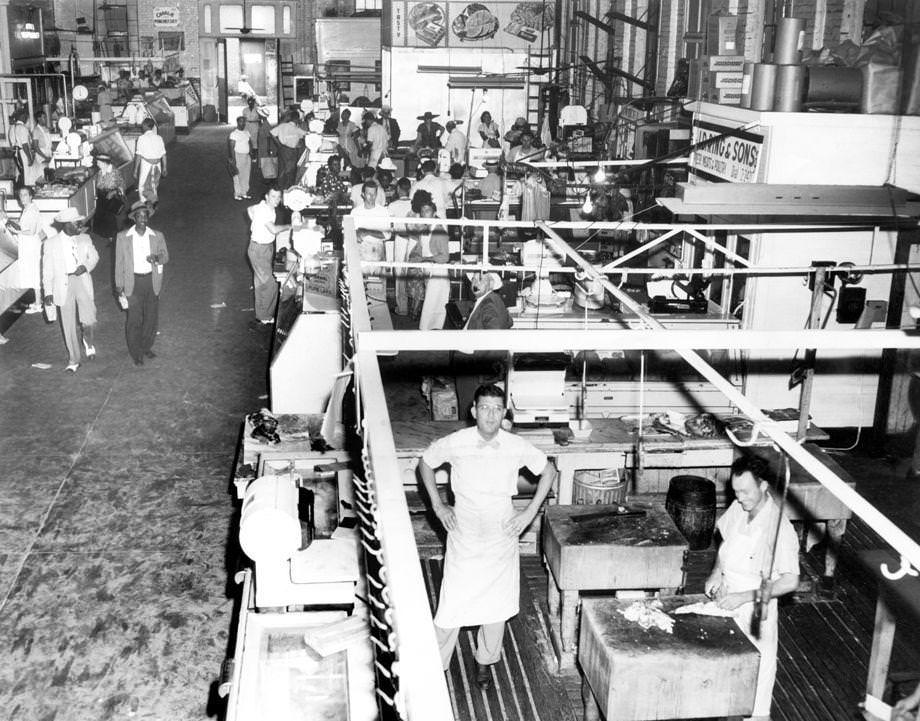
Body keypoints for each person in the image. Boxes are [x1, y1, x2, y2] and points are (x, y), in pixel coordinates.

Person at [419, 383, 555, 686]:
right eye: (484, 408)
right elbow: (426, 464)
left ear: (504, 412)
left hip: (501, 531)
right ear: (473, 411)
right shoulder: (457, 441)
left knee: (496, 606)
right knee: (452, 602)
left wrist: (529, 512)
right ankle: (436, 665)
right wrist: (439, 505)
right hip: (463, 529)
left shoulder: (515, 445)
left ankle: (484, 661)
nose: (491, 415)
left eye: (496, 409)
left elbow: (549, 472)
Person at [705, 455, 800, 721]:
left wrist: (743, 597)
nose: (740, 497)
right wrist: (716, 575)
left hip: (756, 608)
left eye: (745, 491)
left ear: (764, 486)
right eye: (735, 491)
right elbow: (724, 544)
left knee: (754, 686)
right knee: (723, 677)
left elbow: (791, 581)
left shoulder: (779, 526)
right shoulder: (739, 507)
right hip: (726, 600)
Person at [42, 207, 98, 373]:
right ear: (67, 225)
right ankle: (74, 359)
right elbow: (47, 270)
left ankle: (88, 340)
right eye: (76, 223)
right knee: (68, 324)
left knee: (90, 319)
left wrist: (85, 266)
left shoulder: (84, 238)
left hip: (81, 280)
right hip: (62, 284)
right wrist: (48, 293)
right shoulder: (51, 244)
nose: (80, 225)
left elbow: (95, 257)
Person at [114, 201, 169, 366]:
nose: (143, 219)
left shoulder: (157, 236)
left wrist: (157, 258)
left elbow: (165, 256)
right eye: (140, 216)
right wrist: (119, 285)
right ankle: (136, 352)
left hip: (151, 281)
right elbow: (119, 263)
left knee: (151, 318)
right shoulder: (123, 237)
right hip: (133, 282)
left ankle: (146, 346)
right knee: (134, 320)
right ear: (134, 218)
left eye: (146, 216)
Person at [453, 272, 512, 415]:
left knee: (468, 409)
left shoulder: (489, 303)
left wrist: (483, 370)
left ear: (491, 284)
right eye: (473, 279)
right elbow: (509, 321)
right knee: (473, 408)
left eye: (481, 279)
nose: (475, 283)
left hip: (472, 366)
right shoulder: (489, 299)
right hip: (473, 364)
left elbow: (494, 338)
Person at [246, 188, 291, 328]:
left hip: (263, 248)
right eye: (273, 196)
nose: (276, 200)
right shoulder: (265, 211)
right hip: (259, 250)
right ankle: (265, 316)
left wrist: (256, 223)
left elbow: (249, 209)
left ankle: (261, 314)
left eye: (278, 197)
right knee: (270, 284)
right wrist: (290, 226)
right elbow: (274, 230)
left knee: (261, 284)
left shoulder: (262, 206)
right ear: (266, 196)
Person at [8, 187, 46, 313]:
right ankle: (37, 301)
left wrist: (16, 231)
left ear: (30, 196)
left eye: (25, 195)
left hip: (31, 246)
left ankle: (39, 304)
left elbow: (32, 231)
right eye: (20, 195)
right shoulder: (27, 209)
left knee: (34, 273)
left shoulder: (32, 210)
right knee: (31, 272)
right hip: (27, 245)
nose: (22, 197)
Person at [414, 198, 450, 331]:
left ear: (434, 213)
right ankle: (430, 335)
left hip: (438, 272)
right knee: (432, 308)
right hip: (429, 271)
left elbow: (445, 257)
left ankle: (428, 337)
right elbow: (420, 248)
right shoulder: (425, 229)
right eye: (422, 211)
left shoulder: (438, 230)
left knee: (433, 308)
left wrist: (424, 259)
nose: (424, 214)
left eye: (428, 211)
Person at [388, 177, 414, 316]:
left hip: (400, 239)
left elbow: (390, 227)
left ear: (398, 189)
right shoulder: (414, 204)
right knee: (413, 272)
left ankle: (402, 307)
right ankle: (415, 305)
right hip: (413, 239)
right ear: (409, 189)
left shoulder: (392, 205)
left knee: (399, 273)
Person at [348, 180, 390, 262]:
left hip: (378, 250)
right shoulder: (355, 212)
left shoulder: (383, 211)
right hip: (361, 250)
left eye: (374, 194)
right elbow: (351, 234)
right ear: (363, 195)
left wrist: (366, 232)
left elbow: (387, 235)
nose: (371, 197)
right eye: (368, 194)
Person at [93, 154, 127, 243]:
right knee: (104, 219)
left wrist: (114, 191)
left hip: (112, 200)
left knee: (112, 219)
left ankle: (115, 238)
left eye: (98, 162)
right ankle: (110, 237)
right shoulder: (100, 172)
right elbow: (99, 185)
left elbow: (123, 185)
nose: (97, 164)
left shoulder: (115, 172)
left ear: (104, 163)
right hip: (102, 198)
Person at [270, 110, 306, 190]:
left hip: (283, 149)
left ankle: (280, 189)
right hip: (291, 151)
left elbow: (272, 133)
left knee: (282, 170)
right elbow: (305, 134)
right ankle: (288, 189)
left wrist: (278, 144)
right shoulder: (296, 128)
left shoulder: (283, 126)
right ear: (296, 119)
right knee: (290, 172)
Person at [134, 118, 167, 204]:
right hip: (157, 165)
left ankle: (144, 205)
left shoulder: (141, 138)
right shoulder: (159, 138)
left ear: (145, 126)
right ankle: (153, 203)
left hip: (146, 165)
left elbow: (138, 156)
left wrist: (135, 170)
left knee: (142, 187)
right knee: (153, 185)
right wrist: (164, 168)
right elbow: (164, 155)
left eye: (142, 125)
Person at [9, 109, 38, 187]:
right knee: (26, 174)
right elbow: (25, 145)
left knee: (20, 172)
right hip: (22, 154)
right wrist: (29, 158)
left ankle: (22, 188)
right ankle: (25, 189)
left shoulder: (12, 128)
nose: (27, 118)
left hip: (16, 154)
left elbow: (12, 143)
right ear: (22, 116)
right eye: (26, 116)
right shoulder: (23, 128)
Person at [228, 117, 252, 200]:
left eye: (244, 122)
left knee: (246, 175)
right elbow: (231, 147)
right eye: (241, 122)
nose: (243, 123)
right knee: (237, 175)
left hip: (246, 156)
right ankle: (237, 194)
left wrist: (251, 153)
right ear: (237, 122)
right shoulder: (234, 134)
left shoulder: (246, 132)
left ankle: (244, 192)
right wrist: (233, 160)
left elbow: (249, 143)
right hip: (238, 156)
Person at [31, 110, 53, 182]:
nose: (46, 119)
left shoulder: (46, 129)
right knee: (43, 175)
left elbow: (49, 143)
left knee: (50, 174)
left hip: (48, 153)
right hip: (41, 155)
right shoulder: (36, 130)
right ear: (38, 118)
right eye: (44, 117)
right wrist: (45, 157)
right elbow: (35, 147)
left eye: (45, 117)